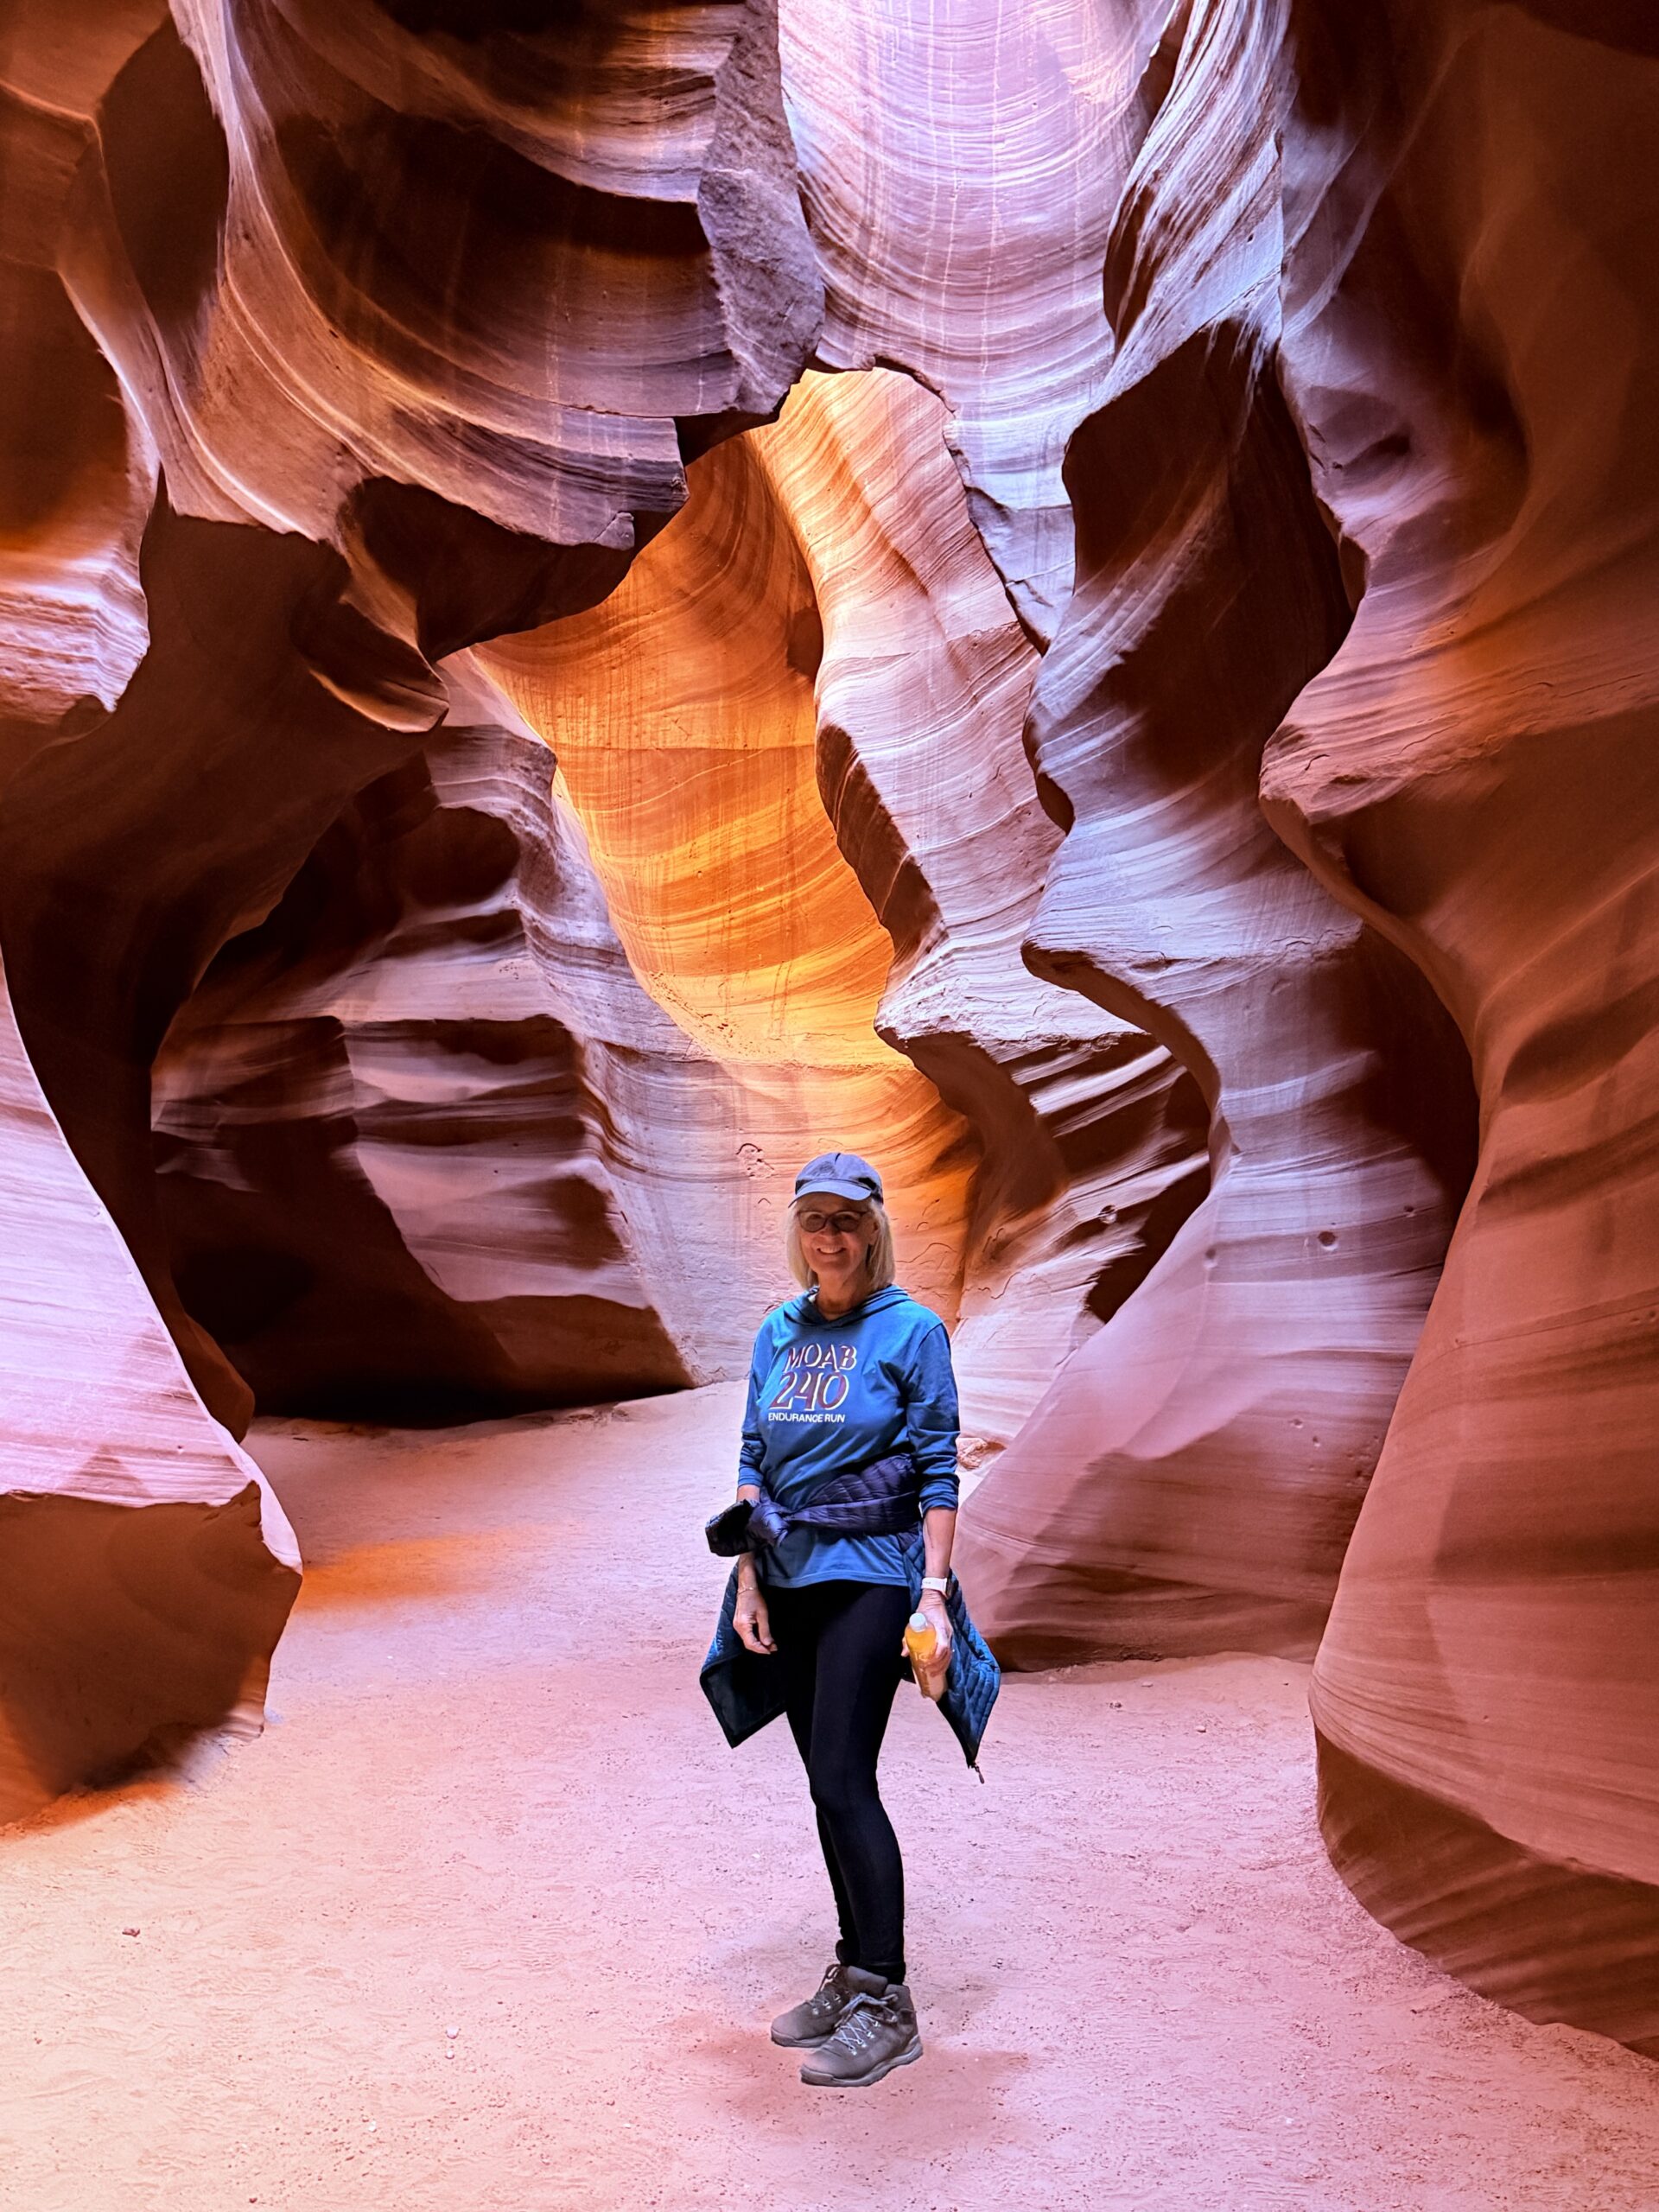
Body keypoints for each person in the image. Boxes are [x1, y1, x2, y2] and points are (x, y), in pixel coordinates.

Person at [728, 1149, 962, 2089]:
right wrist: (747, 1581)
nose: (830, 1235)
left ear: (874, 1228)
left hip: (870, 1574)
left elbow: (939, 1468)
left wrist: (934, 1593)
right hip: (785, 1578)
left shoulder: (910, 1331)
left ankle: (890, 2001)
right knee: (823, 1786)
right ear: (798, 1232)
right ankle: (854, 1965)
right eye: (815, 1220)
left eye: (847, 1219)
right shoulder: (776, 1333)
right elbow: (751, 1460)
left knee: (844, 1776)